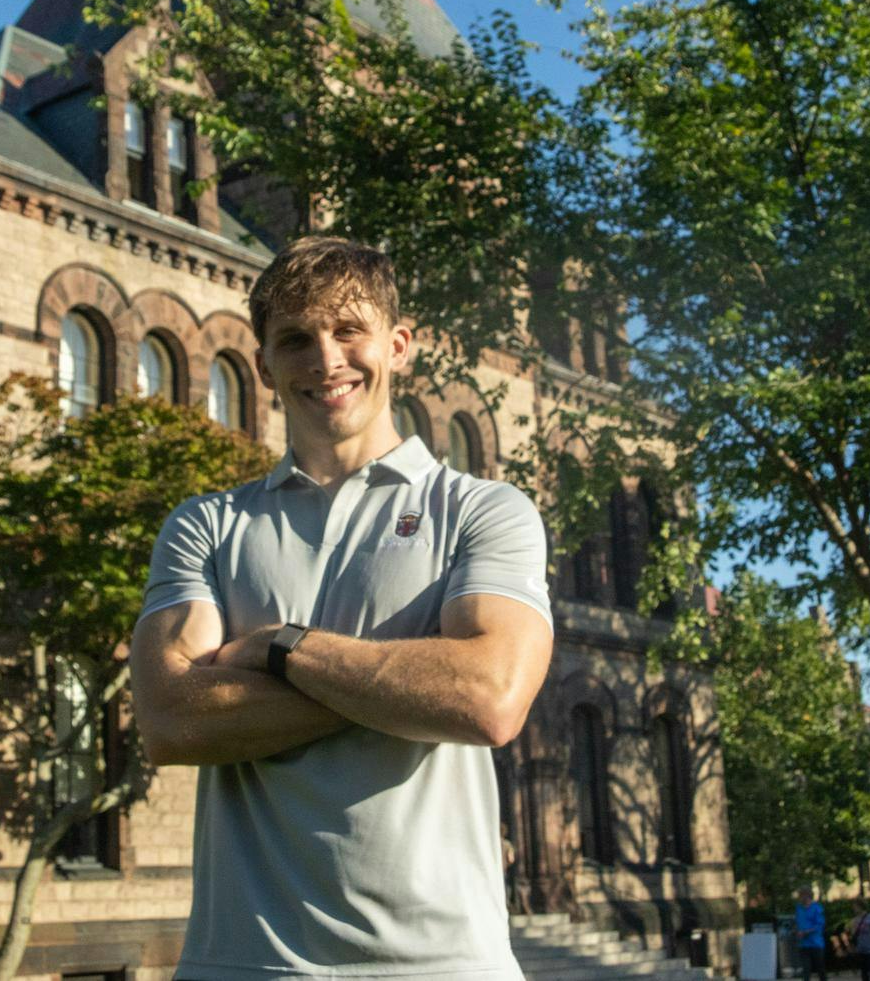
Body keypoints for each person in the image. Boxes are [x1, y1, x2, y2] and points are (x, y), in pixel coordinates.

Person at [130, 236, 555, 979]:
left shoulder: (484, 511)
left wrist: (278, 648)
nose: (325, 359)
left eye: (348, 330)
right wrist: (412, 681)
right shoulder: (206, 525)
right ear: (263, 364)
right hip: (242, 963)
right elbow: (169, 720)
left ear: (398, 345)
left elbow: (487, 698)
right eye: (295, 338)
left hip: (443, 963)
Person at [795, 887, 828, 981]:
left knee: (820, 969)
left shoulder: (817, 908)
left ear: (807, 896)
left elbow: (819, 925)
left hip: (816, 943)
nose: (800, 898)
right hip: (803, 944)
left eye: (801, 896)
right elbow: (798, 922)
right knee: (806, 970)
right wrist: (797, 931)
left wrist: (806, 932)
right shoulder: (799, 908)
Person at [849, 900, 870, 981]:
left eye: (855, 906)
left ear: (860, 906)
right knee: (864, 973)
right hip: (861, 949)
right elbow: (853, 935)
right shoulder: (854, 920)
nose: (853, 908)